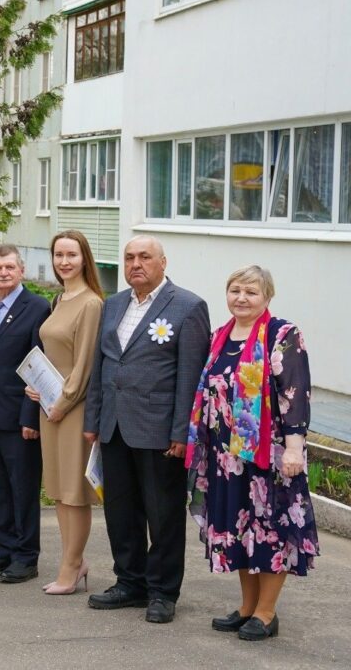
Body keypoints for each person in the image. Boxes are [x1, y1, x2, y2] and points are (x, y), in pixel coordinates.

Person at [185, 266, 318, 641]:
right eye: (235, 290)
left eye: (251, 292)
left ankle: (266, 612)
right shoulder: (219, 336)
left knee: (270, 531)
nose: (241, 298)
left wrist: (294, 448)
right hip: (226, 458)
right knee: (239, 529)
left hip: (269, 456)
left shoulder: (282, 335)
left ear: (267, 297)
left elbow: (295, 393)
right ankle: (247, 607)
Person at [84, 236, 210, 624]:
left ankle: (162, 591)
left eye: (144, 257)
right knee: (120, 511)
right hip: (114, 426)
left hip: (159, 429)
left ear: (163, 262)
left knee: (163, 514)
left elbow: (190, 376)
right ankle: (130, 582)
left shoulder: (188, 306)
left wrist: (181, 432)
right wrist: (92, 420)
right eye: (129, 258)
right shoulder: (114, 304)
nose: (136, 264)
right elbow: (101, 365)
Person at [24, 231, 103, 594]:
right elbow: (54, 356)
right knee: (57, 489)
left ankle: (71, 566)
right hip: (50, 406)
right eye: (58, 255)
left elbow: (85, 365)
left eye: (72, 254)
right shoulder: (59, 299)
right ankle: (73, 561)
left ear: (84, 258)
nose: (64, 261)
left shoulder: (90, 304)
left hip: (72, 409)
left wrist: (62, 403)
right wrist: (37, 388)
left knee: (75, 492)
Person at [0, 244, 51, 585]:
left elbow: (38, 363)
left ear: (21, 270)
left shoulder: (37, 307)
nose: (3, 273)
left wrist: (31, 416)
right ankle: (4, 547)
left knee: (23, 488)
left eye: (9, 267)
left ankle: (26, 556)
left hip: (19, 414)